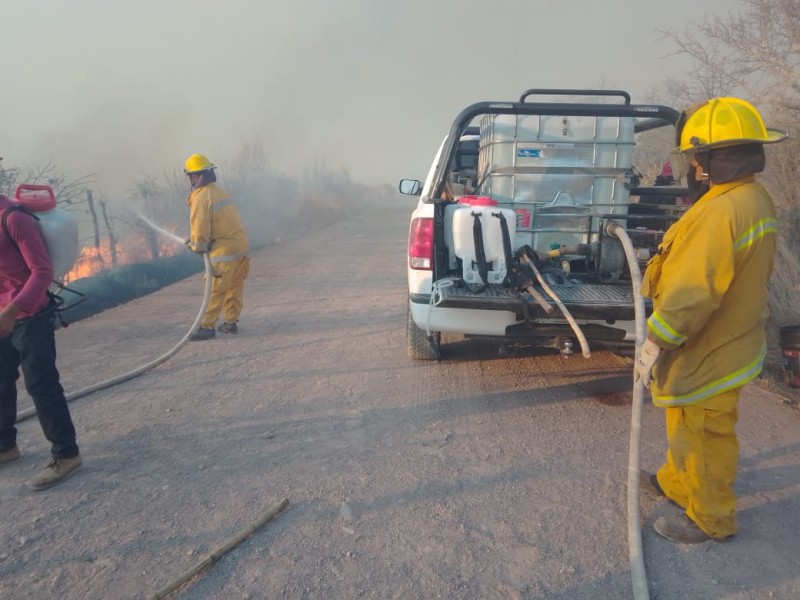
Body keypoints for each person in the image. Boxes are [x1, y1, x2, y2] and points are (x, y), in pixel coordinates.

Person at [634, 97, 788, 543]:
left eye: (696, 156)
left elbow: (694, 290)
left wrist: (657, 338)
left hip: (712, 345)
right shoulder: (750, 196)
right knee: (684, 420)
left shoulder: (723, 211)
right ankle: (677, 484)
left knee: (704, 433)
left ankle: (711, 518)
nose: (693, 166)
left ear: (710, 158)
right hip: (727, 337)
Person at [0, 191, 82, 490]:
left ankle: (67, 455)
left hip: (30, 315)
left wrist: (11, 311)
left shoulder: (13, 219)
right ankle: (5, 447)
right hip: (3, 315)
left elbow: (42, 271)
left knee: (41, 384)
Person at [183, 154, 250, 341]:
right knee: (234, 286)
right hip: (241, 245)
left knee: (215, 289)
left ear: (197, 176)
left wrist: (196, 245)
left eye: (192, 176)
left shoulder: (200, 197)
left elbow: (200, 227)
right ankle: (230, 323)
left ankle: (207, 326)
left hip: (224, 250)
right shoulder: (220, 191)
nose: (192, 180)